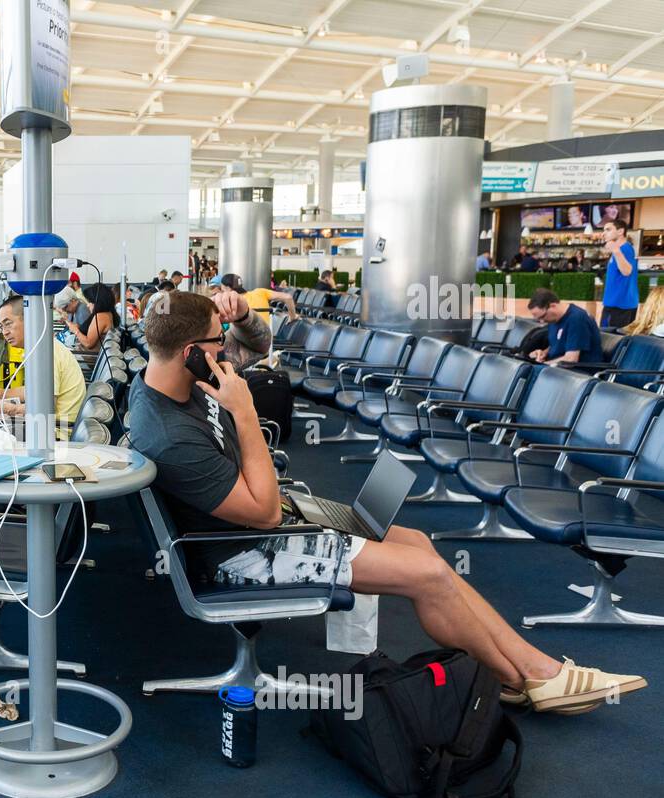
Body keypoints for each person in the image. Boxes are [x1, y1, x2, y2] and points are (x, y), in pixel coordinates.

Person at [127, 291, 645, 714]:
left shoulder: (178, 387)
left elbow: (249, 376)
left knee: (417, 541)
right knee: (430, 575)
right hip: (241, 554)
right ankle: (535, 674)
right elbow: (259, 513)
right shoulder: (172, 432)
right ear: (193, 350)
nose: (227, 354)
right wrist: (244, 413)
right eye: (218, 345)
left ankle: (520, 672)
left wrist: (238, 349)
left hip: (266, 523)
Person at [0, 295, 86, 440]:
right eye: (1, 326)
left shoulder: (47, 354)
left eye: (8, 324)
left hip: (56, 434)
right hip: (51, 426)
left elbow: (45, 409)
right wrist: (4, 393)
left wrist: (13, 409)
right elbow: (37, 392)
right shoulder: (40, 348)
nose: (4, 332)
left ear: (29, 320)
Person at [527, 288, 603, 366]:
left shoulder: (576, 319)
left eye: (542, 316)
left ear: (552, 306)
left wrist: (542, 365)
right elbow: (558, 344)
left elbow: (571, 359)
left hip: (579, 370)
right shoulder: (554, 319)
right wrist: (543, 353)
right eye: (538, 319)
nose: (542, 321)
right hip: (559, 368)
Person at [601, 218, 639, 331]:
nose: (604, 233)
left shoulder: (625, 248)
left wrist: (616, 250)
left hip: (619, 306)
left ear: (620, 231)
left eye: (608, 229)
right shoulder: (620, 249)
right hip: (617, 304)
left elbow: (627, 271)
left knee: (610, 341)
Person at [224, 272, 296, 326]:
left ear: (228, 288)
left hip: (243, 342)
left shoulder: (231, 302)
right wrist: (293, 317)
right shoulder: (260, 292)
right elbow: (288, 297)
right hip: (265, 340)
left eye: (222, 289)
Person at [63, 281, 116, 351]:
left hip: (88, 357)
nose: (88, 305)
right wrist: (78, 328)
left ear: (98, 302)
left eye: (90, 302)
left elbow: (88, 343)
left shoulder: (100, 317)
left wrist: (75, 330)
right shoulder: (107, 314)